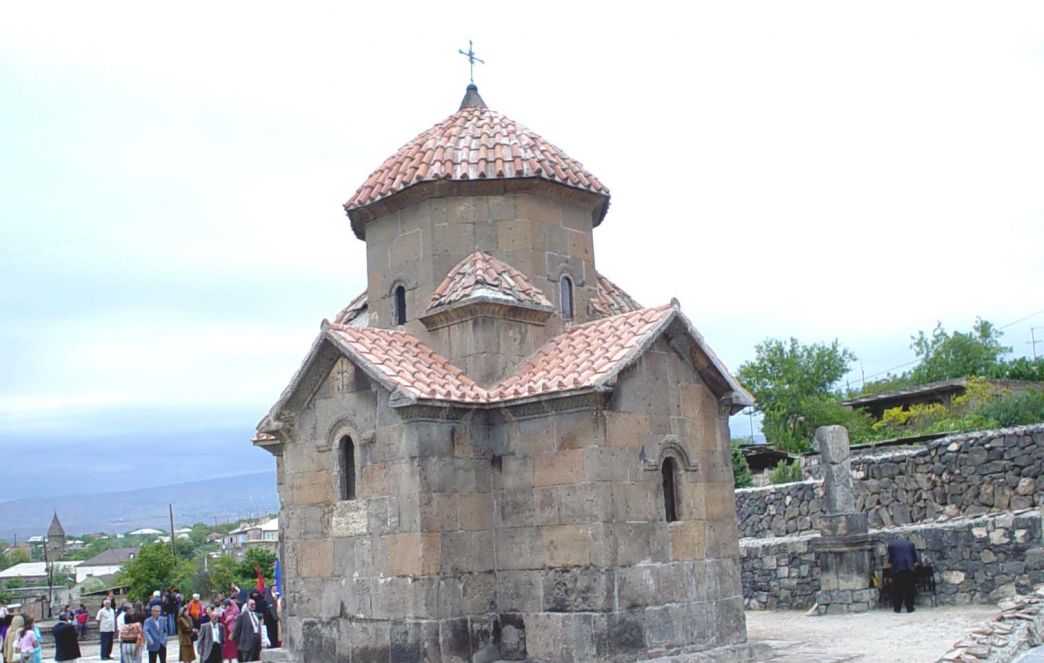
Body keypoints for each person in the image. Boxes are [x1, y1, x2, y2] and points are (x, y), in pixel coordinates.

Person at [887, 535, 919, 613]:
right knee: (910, 588)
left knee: (897, 589)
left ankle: (897, 608)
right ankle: (910, 607)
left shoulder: (891, 545)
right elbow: (914, 557)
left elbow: (891, 558)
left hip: (897, 568)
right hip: (909, 568)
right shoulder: (910, 544)